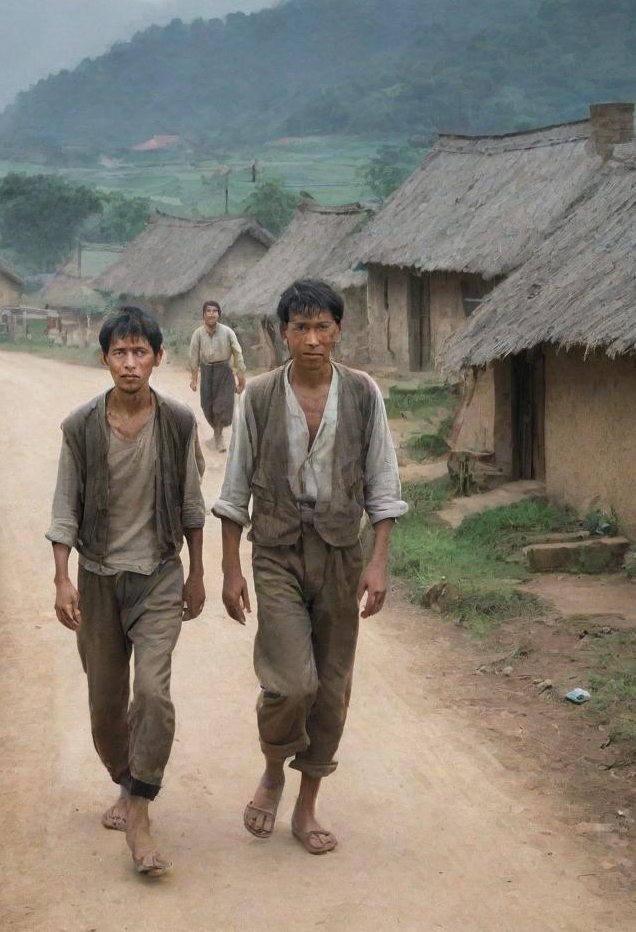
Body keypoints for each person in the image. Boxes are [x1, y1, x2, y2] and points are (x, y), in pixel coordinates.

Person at [212, 280, 407, 856]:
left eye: (323, 327)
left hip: (342, 552)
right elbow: (234, 488)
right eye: (301, 328)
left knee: (332, 686)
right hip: (275, 549)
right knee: (292, 681)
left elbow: (383, 484)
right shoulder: (261, 397)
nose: (313, 339)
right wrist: (229, 570)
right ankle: (274, 768)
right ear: (283, 333)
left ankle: (306, 803)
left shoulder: (365, 394)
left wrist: (377, 562)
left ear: (338, 331)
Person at [47, 305, 207, 876]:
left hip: (159, 576)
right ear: (105, 359)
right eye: (120, 352)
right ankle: (123, 778)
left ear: (159, 359)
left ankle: (140, 807)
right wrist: (63, 577)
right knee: (104, 706)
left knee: (154, 693)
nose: (131, 363)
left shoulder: (179, 424)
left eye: (141, 352)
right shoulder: (81, 426)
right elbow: (65, 507)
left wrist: (198, 572)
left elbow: (192, 504)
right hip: (96, 580)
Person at [188, 300, 246, 452]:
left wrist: (241, 379)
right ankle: (216, 432)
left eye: (215, 311)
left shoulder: (227, 332)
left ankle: (219, 437)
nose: (212, 314)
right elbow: (193, 356)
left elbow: (238, 353)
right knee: (206, 406)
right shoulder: (198, 334)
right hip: (206, 372)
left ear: (219, 314)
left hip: (224, 372)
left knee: (221, 405)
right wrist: (194, 379)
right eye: (208, 311)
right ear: (204, 315)